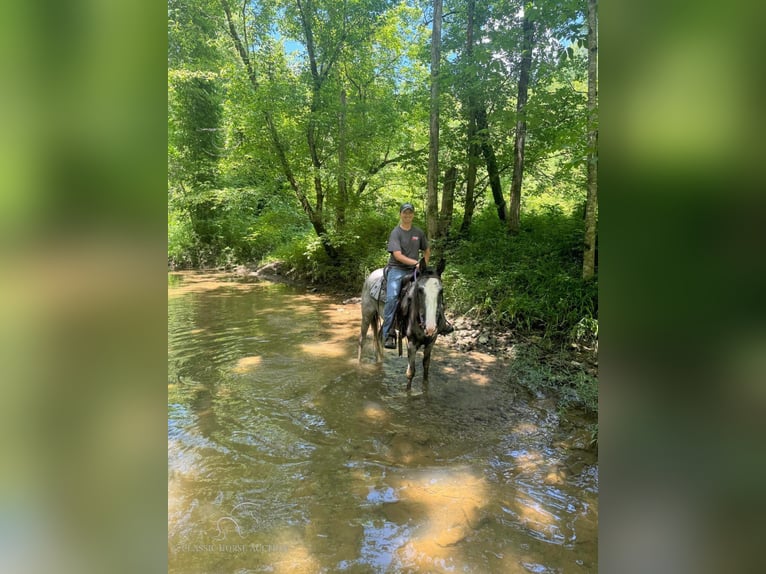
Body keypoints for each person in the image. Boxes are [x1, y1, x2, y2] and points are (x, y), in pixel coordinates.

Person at [381, 203, 454, 349]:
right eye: (404, 213)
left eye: (410, 213)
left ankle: (441, 323)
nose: (407, 215)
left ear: (413, 215)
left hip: (416, 270)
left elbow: (427, 249)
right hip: (397, 269)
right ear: (400, 214)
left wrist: (424, 265)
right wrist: (417, 263)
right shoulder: (396, 232)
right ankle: (388, 332)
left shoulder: (418, 232)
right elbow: (397, 255)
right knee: (392, 298)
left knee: (432, 292)